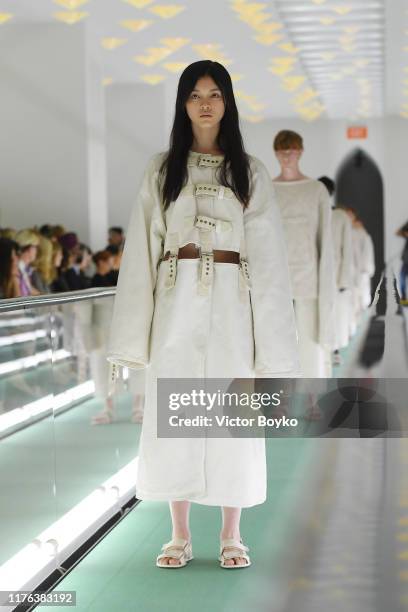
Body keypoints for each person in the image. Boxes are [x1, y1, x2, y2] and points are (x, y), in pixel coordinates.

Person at [106, 60, 300, 569]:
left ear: (228, 101)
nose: (205, 103)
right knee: (178, 413)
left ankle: (232, 535)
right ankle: (178, 534)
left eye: (214, 93)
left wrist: (274, 345)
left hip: (233, 305)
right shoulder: (161, 168)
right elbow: (142, 254)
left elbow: (272, 262)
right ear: (183, 103)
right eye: (195, 95)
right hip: (175, 301)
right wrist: (132, 335)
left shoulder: (250, 170)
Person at [272, 131, 336, 378]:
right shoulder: (267, 188)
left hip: (308, 276)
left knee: (309, 342)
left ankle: (311, 397)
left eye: (291, 151)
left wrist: (324, 277)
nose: (286, 156)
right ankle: (279, 400)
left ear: (300, 152)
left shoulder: (316, 190)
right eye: (281, 151)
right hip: (276, 277)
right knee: (275, 341)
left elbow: (324, 237)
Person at [318, 177, 354, 366]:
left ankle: (335, 350)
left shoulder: (340, 217)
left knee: (335, 314)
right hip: (314, 275)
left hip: (335, 274)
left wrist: (344, 279)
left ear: (330, 193)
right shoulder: (312, 214)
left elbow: (346, 249)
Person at [397, 221, 408, 305]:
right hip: (406, 259)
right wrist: (405, 234)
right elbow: (398, 232)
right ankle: (404, 297)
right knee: (402, 277)